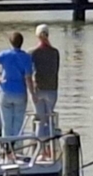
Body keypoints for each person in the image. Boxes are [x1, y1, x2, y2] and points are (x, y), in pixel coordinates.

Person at [0, 31, 33, 139]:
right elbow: (28, 78)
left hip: (5, 91)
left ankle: (6, 146)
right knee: (18, 125)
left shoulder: (4, 54)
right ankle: (18, 147)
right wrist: (32, 94)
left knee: (6, 124)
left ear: (10, 42)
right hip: (20, 92)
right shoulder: (26, 57)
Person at [30, 24, 60, 152]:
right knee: (50, 119)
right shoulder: (55, 52)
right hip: (52, 89)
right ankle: (51, 148)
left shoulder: (33, 53)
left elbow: (29, 72)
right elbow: (56, 69)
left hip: (38, 89)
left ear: (37, 36)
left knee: (40, 120)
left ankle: (40, 150)